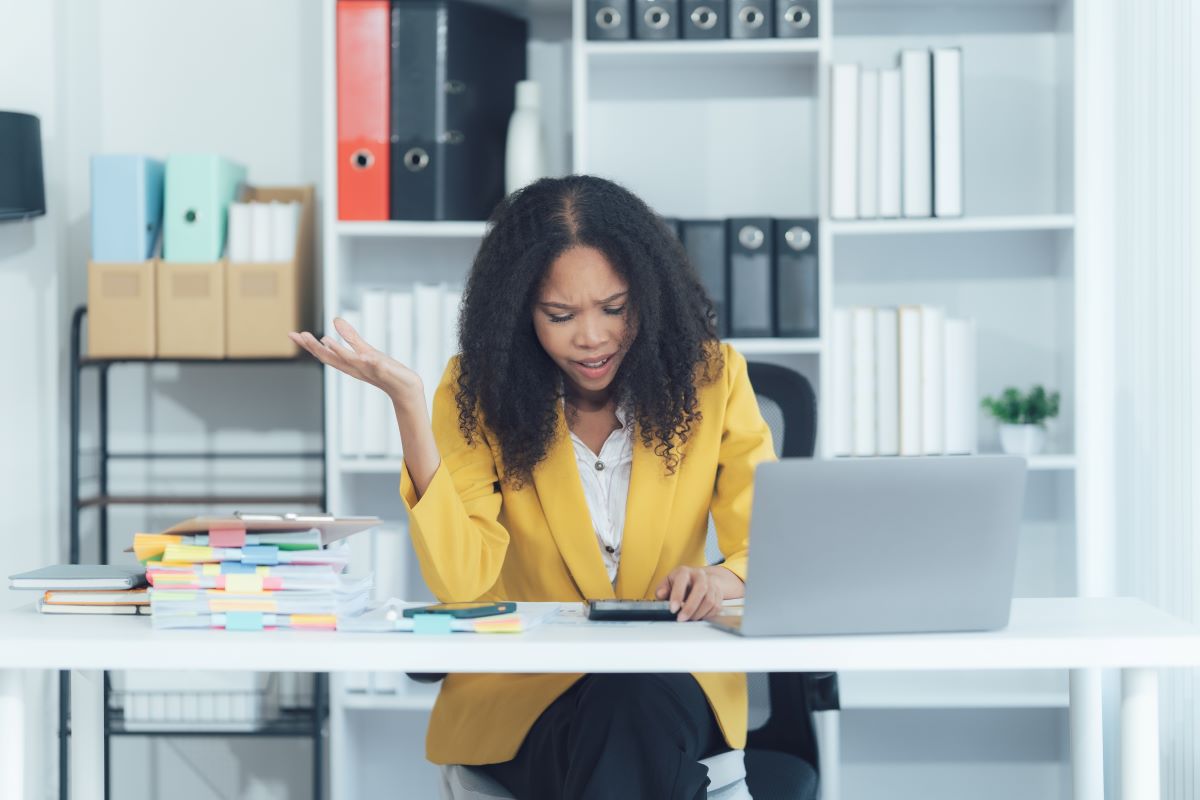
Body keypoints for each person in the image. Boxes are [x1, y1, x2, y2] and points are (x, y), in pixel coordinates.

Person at [290, 175, 775, 799]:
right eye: (560, 315)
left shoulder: (713, 380)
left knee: (633, 704)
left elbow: (768, 545)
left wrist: (720, 579)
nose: (592, 336)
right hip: (527, 700)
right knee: (633, 741)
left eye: (615, 308)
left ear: (648, 298)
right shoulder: (477, 392)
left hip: (669, 686)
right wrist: (409, 406)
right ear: (520, 313)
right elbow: (462, 581)